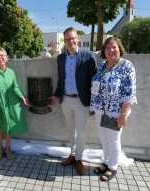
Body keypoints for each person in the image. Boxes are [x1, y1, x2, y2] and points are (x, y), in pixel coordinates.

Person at [50, 27, 96, 175]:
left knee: (81, 132)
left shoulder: (88, 56)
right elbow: (61, 79)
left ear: (78, 39)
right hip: (66, 100)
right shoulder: (61, 58)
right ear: (65, 41)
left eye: (73, 38)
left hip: (82, 101)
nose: (71, 41)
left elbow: (94, 81)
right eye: (68, 39)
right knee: (71, 131)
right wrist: (57, 95)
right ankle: (72, 154)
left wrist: (93, 103)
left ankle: (79, 159)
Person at [90, 36, 137, 181]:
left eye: (114, 47)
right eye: (108, 47)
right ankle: (106, 162)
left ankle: (113, 167)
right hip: (100, 110)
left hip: (115, 111)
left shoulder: (126, 66)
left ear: (119, 49)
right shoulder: (102, 66)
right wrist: (92, 106)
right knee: (104, 139)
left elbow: (130, 91)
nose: (111, 50)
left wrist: (124, 113)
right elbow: (96, 87)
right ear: (103, 51)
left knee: (114, 140)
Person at [0, 47, 29, 160]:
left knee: (8, 128)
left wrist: (22, 97)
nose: (0, 58)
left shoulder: (11, 72)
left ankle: (8, 148)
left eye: (2, 55)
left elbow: (15, 87)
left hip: (9, 105)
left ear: (6, 57)